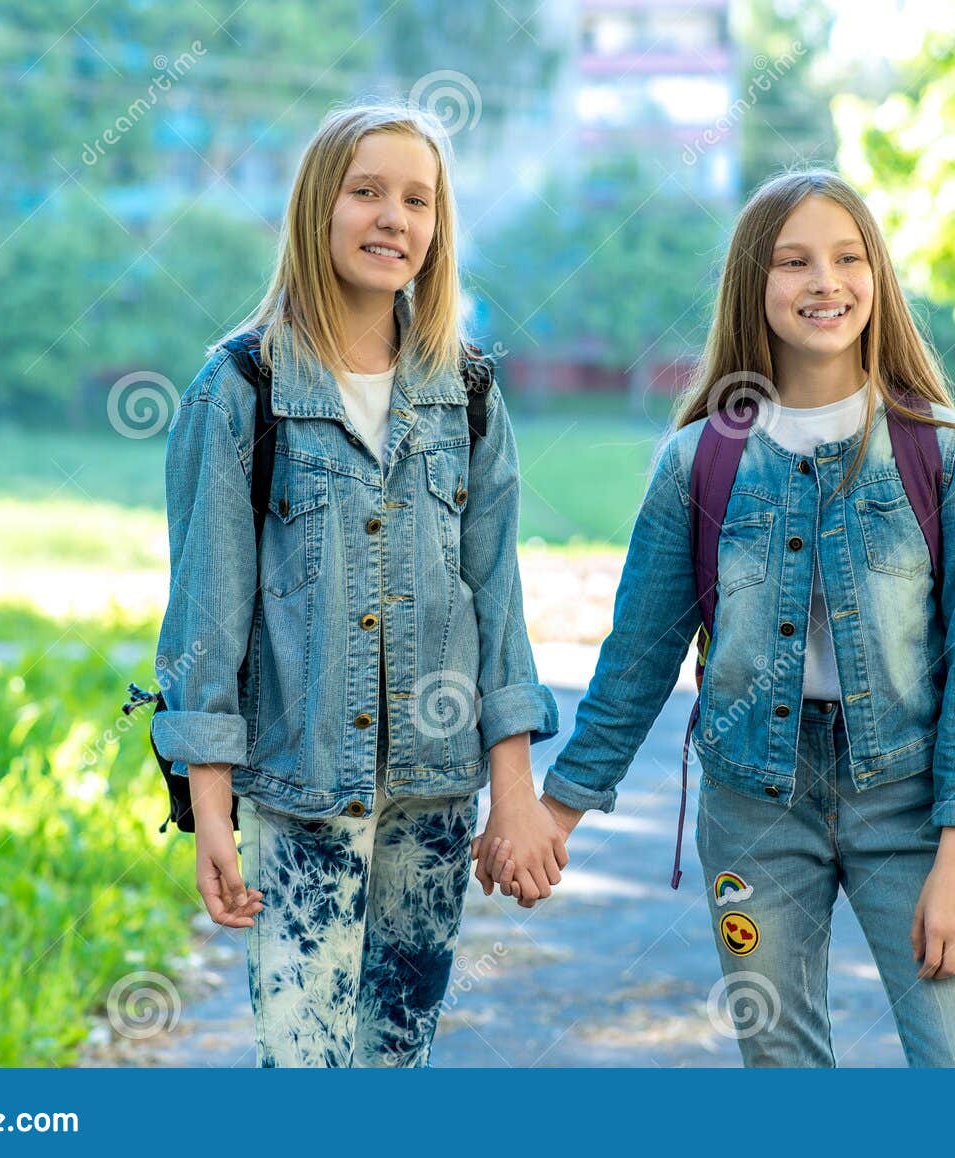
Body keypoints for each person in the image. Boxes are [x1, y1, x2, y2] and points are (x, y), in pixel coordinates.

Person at [486, 169, 955, 1068]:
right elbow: (640, 657)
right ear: (752, 286)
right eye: (794, 262)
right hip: (753, 807)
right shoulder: (700, 461)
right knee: (783, 1067)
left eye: (849, 258)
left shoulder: (945, 457)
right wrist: (555, 813)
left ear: (878, 277)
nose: (825, 282)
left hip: (911, 802)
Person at [152, 101, 564, 1067]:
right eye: (367, 192)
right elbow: (207, 619)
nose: (394, 218)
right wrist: (210, 808)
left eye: (416, 200)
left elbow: (495, 600)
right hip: (298, 795)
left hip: (435, 796)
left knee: (396, 1069)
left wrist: (515, 792)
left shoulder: (466, 391)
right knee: (306, 1071)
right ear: (317, 211)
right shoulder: (241, 386)